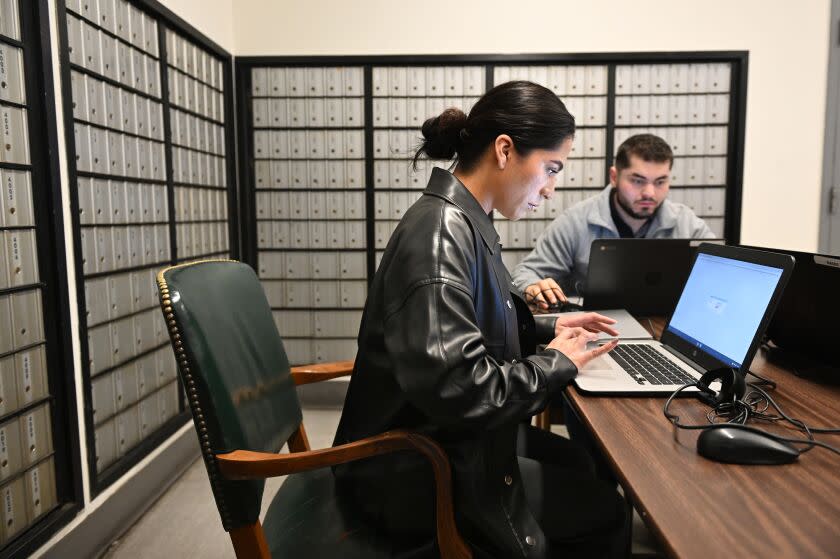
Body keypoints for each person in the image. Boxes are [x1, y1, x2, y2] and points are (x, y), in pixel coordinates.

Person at [333, 81, 630, 559]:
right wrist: (556, 363)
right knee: (607, 512)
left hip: (436, 442)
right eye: (550, 169)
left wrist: (551, 329)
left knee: (578, 461)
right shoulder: (439, 235)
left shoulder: (462, 218)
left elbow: (472, 323)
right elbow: (464, 390)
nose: (551, 189)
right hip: (412, 472)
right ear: (506, 150)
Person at [512, 133, 715, 313]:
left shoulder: (686, 223)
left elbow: (718, 274)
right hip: (590, 327)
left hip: (663, 327)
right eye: (637, 181)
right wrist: (533, 286)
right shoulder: (575, 222)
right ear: (614, 177)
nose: (649, 193)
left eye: (660, 182)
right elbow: (525, 273)